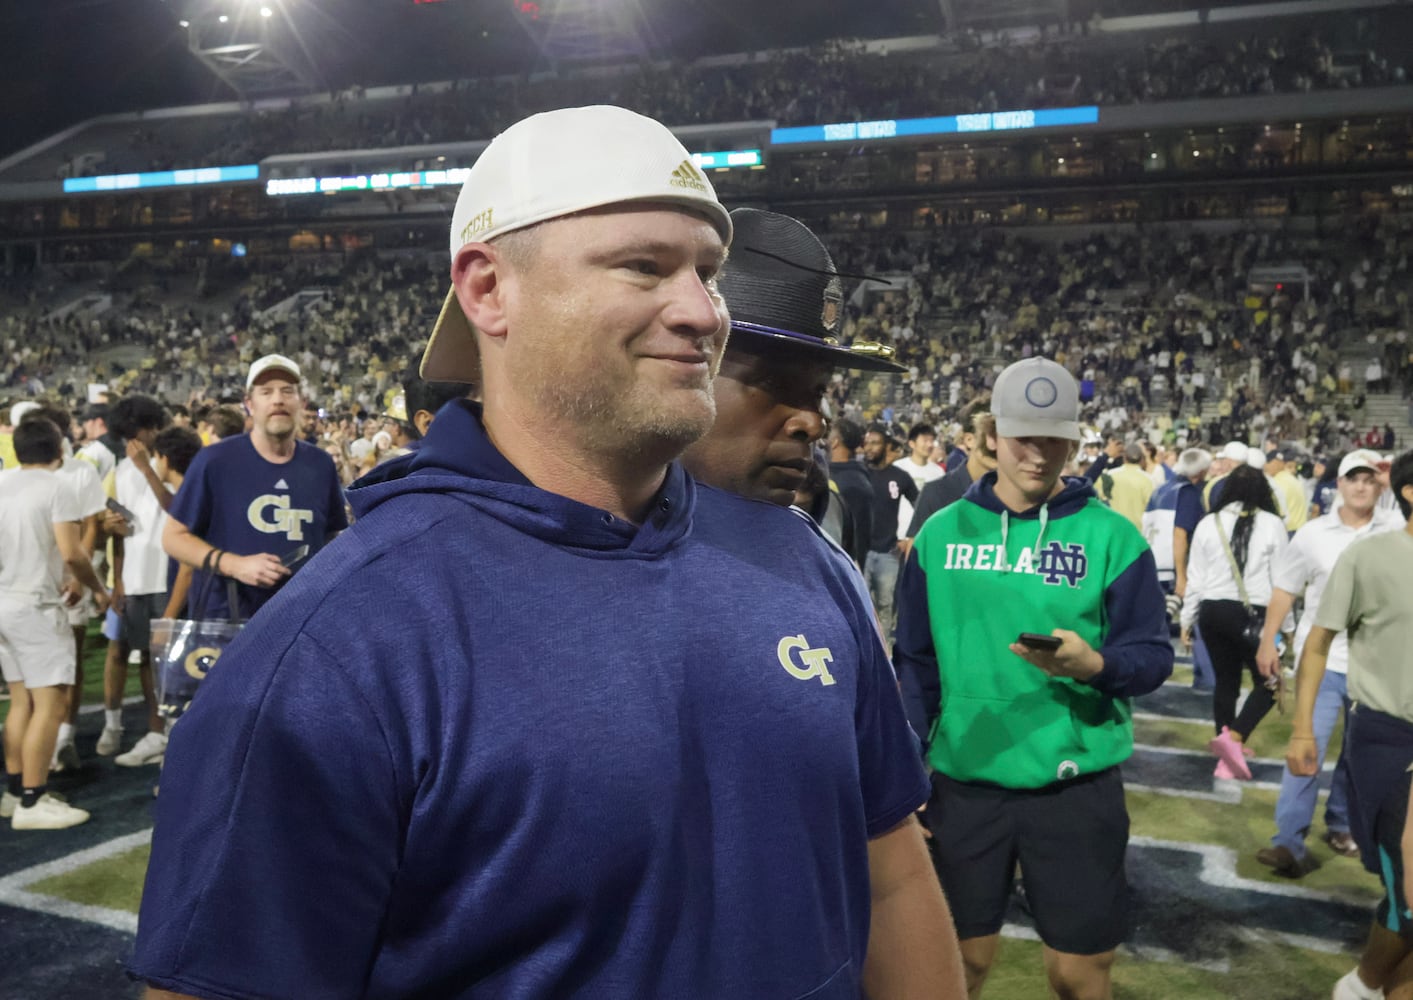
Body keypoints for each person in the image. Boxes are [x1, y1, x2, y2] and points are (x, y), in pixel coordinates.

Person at [132, 105, 957, 1000]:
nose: (700, 311)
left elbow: (891, 872)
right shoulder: (333, 647)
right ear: (488, 290)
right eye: (644, 266)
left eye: (707, 273)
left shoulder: (802, 564)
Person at [897, 356, 1173, 999]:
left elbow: (1153, 657)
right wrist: (908, 763)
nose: (1039, 452)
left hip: (1075, 789)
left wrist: (1096, 666)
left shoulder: (1113, 537)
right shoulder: (939, 536)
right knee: (954, 968)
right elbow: (913, 662)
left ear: (1074, 440)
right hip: (963, 784)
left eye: (1054, 437)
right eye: (1024, 435)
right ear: (992, 434)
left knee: (1078, 974)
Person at [1285, 450, 1413, 1000]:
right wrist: (1302, 730)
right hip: (1389, 735)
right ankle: (1361, 985)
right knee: (1407, 890)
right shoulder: (1370, 557)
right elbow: (1317, 644)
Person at [680, 207, 908, 508]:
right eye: (774, 384)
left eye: (818, 392)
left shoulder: (818, 553)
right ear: (682, 367)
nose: (815, 423)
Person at [1254, 449, 1402, 878]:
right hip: (1320, 660)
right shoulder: (1313, 534)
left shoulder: (1396, 528)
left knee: (1359, 757)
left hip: (1376, 665)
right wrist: (1269, 642)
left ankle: (1341, 823)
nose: (1360, 486)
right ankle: (1287, 840)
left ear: (1380, 485)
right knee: (1306, 749)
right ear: (1338, 484)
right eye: (1353, 478)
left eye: (1369, 479)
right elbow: (1284, 590)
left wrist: (1394, 482)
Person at [161, 354, 348, 621]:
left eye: (287, 391)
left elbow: (329, 536)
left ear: (301, 402)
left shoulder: (321, 464)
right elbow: (173, 538)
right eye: (266, 392)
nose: (278, 399)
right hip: (229, 622)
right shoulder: (215, 461)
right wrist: (234, 565)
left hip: (300, 620)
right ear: (249, 404)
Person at [0, 415, 110, 830]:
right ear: (60, 449)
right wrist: (98, 588)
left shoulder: (3, 483)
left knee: (20, 699)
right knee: (51, 702)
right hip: (36, 606)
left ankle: (15, 791)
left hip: (5, 601)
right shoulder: (57, 486)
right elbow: (72, 554)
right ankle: (33, 799)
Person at [1180, 465, 1288, 780]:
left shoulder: (1207, 523)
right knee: (1271, 684)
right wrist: (1288, 626)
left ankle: (1225, 755)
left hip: (1213, 612)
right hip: (1254, 613)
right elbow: (1281, 581)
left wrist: (1187, 620)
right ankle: (1235, 738)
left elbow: (1195, 579)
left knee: (1226, 683)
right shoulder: (1272, 524)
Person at [26, 402, 108, 772]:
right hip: (32, 584)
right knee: (31, 674)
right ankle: (37, 753)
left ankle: (64, 738)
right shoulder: (26, 476)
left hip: (66, 581)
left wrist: (79, 577)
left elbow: (91, 526)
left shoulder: (80, 473)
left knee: (70, 661)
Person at [95, 395, 173, 765]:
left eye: (151, 426)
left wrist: (149, 470)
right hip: (137, 578)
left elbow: (178, 511)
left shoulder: (170, 461)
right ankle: (157, 731)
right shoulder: (122, 470)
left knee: (172, 658)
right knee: (145, 656)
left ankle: (177, 732)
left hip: (169, 573)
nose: (149, 433)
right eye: (144, 427)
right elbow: (121, 528)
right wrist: (120, 581)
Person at [905, 396, 996, 540]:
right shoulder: (936, 493)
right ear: (969, 440)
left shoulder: (1021, 495)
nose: (995, 445)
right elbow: (916, 556)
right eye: (990, 435)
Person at [862, 423, 917, 636]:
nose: (868, 448)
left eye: (874, 443)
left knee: (885, 606)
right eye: (866, 443)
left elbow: (921, 506)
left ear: (886, 446)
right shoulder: (859, 474)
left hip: (888, 553)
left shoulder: (900, 477)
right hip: (860, 553)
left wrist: (908, 537)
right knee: (860, 605)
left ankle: (884, 653)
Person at [828, 417, 874, 568]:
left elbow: (856, 537)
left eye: (828, 436)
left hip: (839, 568)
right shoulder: (853, 476)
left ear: (835, 442)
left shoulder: (852, 484)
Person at [1096, 441, 1155, 531]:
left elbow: (1097, 498)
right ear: (1141, 459)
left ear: (1124, 457)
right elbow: (1151, 507)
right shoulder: (1148, 480)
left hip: (1112, 528)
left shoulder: (1108, 475)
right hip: (1137, 531)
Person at [895, 423, 944, 495]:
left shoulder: (939, 472)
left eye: (932, 441)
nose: (930, 445)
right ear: (912, 444)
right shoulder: (898, 468)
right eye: (925, 440)